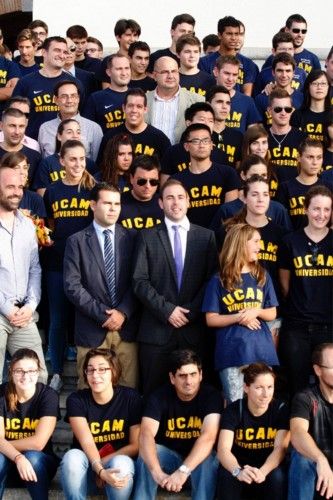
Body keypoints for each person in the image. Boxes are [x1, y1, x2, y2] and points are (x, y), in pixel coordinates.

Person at [132, 179, 218, 395]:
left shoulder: (206, 237)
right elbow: (139, 281)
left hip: (194, 330)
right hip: (156, 331)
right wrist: (167, 310)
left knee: (197, 396)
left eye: (180, 197)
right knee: (152, 394)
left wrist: (190, 311)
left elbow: (212, 280)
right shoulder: (146, 236)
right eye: (169, 197)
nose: (175, 202)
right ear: (160, 203)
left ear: (188, 201)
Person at [63, 182, 139, 389]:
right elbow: (72, 286)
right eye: (107, 203)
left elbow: (139, 281)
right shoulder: (76, 241)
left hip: (126, 328)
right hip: (91, 328)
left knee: (128, 392)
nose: (113, 208)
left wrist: (122, 312)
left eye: (117, 204)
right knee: (88, 392)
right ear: (92, 205)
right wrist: (104, 315)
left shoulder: (133, 238)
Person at [202, 223, 279, 403]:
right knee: (236, 405)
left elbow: (272, 313)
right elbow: (210, 319)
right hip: (232, 352)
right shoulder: (219, 279)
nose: (260, 246)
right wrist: (240, 317)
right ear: (240, 243)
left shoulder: (262, 275)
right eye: (256, 242)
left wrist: (256, 311)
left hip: (262, 350)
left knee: (262, 404)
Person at [133, 349, 222, 500]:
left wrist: (183, 471)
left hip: (198, 465)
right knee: (147, 452)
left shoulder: (211, 396)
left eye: (193, 374)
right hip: (170, 460)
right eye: (182, 376)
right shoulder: (158, 396)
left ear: (201, 375)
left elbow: (208, 437)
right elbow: (146, 434)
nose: (188, 381)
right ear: (172, 378)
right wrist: (157, 472)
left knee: (207, 458)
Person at [43, 140, 95, 392]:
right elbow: (50, 226)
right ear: (61, 161)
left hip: (86, 264)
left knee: (84, 315)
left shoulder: (92, 188)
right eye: (72, 159)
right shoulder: (52, 191)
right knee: (57, 318)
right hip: (57, 262)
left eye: (82, 159)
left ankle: (85, 371)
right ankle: (55, 372)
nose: (78, 164)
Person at [61, 348, 141, 500]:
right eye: (90, 370)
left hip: (116, 467)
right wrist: (98, 469)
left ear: (114, 371)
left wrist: (103, 466)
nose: (95, 375)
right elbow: (87, 441)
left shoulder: (131, 398)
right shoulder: (76, 400)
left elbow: (136, 445)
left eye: (102, 369)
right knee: (72, 457)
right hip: (87, 469)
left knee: (121, 464)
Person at [278, 186, 333, 396]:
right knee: (297, 386)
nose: (321, 215)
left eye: (326, 210)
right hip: (297, 327)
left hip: (328, 326)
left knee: (329, 386)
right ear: (306, 209)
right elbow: (285, 285)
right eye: (316, 209)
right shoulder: (290, 242)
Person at [0, 163, 47, 384]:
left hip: (23, 313)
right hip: (2, 312)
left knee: (38, 377)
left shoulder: (28, 226)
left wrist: (30, 306)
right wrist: (7, 308)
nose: (17, 192)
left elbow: (35, 269)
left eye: (20, 186)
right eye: (10, 186)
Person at [217, 362, 289, 500]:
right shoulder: (233, 410)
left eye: (270, 387)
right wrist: (238, 471)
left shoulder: (280, 409)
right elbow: (223, 449)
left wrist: (263, 472)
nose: (266, 394)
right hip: (239, 466)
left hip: (268, 467)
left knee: (277, 476)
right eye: (259, 388)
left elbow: (280, 448)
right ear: (246, 387)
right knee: (227, 475)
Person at [0, 348, 59, 500]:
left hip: (40, 465)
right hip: (8, 463)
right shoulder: (2, 394)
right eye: (19, 371)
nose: (25, 376)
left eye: (31, 371)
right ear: (11, 372)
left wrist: (4, 445)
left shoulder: (48, 396)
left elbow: (38, 443)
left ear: (38, 372)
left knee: (32, 456)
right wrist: (18, 457)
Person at [12, 36, 83, 139]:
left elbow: (82, 118)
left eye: (65, 52)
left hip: (65, 146)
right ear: (44, 52)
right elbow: (14, 115)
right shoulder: (26, 82)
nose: (62, 55)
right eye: (57, 50)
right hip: (33, 143)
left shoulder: (74, 84)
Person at [171, 123, 240, 228]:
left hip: (221, 236)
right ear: (186, 146)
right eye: (196, 141)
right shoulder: (176, 180)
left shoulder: (228, 173)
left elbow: (231, 214)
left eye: (205, 141)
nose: (201, 145)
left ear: (212, 145)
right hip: (190, 237)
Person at [289, 343, 333, 500]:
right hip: (317, 471)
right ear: (318, 370)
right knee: (301, 459)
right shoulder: (305, 398)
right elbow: (297, 433)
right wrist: (321, 459)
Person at [210, 154, 291, 232]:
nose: (259, 178)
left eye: (263, 175)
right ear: (243, 175)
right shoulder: (226, 210)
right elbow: (215, 241)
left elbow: (288, 239)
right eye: (254, 175)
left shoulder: (278, 209)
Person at [160, 101, 233, 181]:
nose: (206, 124)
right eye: (202, 120)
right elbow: (165, 186)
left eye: (210, 121)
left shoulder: (221, 156)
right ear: (188, 123)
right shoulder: (172, 153)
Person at [98, 88, 171, 163]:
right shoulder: (110, 137)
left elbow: (167, 172)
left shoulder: (160, 139)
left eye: (139, 106)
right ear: (124, 108)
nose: (134, 110)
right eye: (130, 106)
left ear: (145, 109)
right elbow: (102, 168)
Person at [38, 79, 103, 160]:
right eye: (64, 96)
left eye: (73, 96)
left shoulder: (94, 128)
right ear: (56, 100)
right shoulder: (45, 128)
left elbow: (96, 164)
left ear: (78, 99)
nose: (69, 100)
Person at [145, 56, 204, 144]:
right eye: (165, 72)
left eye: (174, 71)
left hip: (183, 156)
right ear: (154, 75)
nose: (170, 76)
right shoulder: (143, 100)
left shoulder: (197, 101)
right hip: (149, 155)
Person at [34, 118, 96, 196]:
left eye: (78, 132)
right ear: (59, 136)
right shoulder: (47, 163)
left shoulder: (89, 164)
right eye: (69, 132)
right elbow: (42, 197)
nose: (75, 136)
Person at [199, 16, 259, 96]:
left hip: (238, 106)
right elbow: (203, 90)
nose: (233, 38)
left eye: (236, 34)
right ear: (220, 35)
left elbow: (247, 95)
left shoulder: (248, 64)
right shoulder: (204, 62)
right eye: (229, 34)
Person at [276, 137, 324, 229]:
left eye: (319, 157)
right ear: (298, 157)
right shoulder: (285, 188)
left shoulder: (328, 188)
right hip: (292, 241)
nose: (315, 162)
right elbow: (281, 224)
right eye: (310, 157)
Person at [267, 88, 307, 187]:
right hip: (267, 196)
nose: (283, 113)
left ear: (292, 110)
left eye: (287, 109)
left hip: (295, 194)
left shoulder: (303, 137)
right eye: (278, 109)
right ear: (269, 111)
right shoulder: (261, 137)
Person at [82, 53, 130, 133]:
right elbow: (87, 131)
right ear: (109, 72)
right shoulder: (96, 98)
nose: (124, 73)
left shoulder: (137, 95)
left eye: (127, 68)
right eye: (119, 69)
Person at [254, 53, 304, 129]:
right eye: (280, 70)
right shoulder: (261, 99)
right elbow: (258, 129)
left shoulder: (302, 98)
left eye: (288, 71)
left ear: (293, 73)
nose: (284, 75)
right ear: (273, 73)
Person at [213, 55, 260, 133]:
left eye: (235, 75)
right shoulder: (204, 98)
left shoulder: (247, 102)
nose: (230, 79)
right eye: (227, 73)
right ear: (216, 72)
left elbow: (253, 135)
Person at [253, 31, 307, 96]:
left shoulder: (302, 73)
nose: (287, 52)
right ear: (273, 51)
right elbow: (257, 98)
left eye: (290, 49)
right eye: (282, 49)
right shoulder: (263, 75)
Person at [118, 154, 163, 230]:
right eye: (142, 181)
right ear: (131, 178)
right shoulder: (117, 203)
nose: (148, 186)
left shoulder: (166, 204)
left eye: (153, 181)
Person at [0, 107, 41, 184]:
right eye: (12, 126)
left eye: (21, 126)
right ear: (1, 126)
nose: (17, 132)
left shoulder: (35, 157)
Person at [0, 151, 46, 218]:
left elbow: (41, 227)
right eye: (16, 168)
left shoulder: (36, 199)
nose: (22, 172)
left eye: (25, 168)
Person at [206, 85, 243, 167]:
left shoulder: (238, 136)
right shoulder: (197, 135)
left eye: (228, 103)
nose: (224, 107)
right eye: (219, 102)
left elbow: (238, 168)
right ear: (208, 105)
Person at [291, 70, 331, 143]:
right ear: (308, 87)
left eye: (323, 83)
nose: (319, 87)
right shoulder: (297, 115)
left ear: (328, 87)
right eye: (315, 83)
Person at [98, 19, 141, 88]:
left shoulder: (143, 60)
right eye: (128, 35)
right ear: (118, 37)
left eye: (135, 35)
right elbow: (106, 92)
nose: (132, 39)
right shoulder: (108, 60)